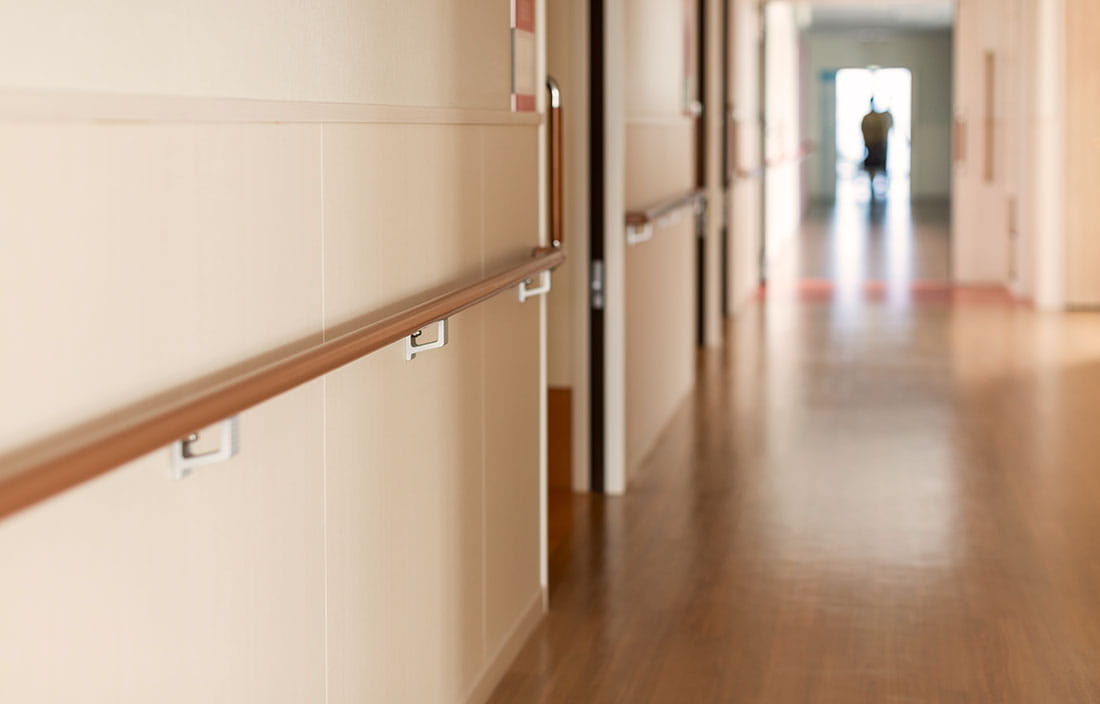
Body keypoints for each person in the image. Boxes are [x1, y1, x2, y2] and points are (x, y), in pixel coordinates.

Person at [861, 98, 894, 193]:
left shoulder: (878, 117)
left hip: (878, 144)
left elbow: (884, 129)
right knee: (872, 166)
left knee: (879, 166)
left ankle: (882, 186)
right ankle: (872, 185)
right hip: (872, 145)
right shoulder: (867, 118)